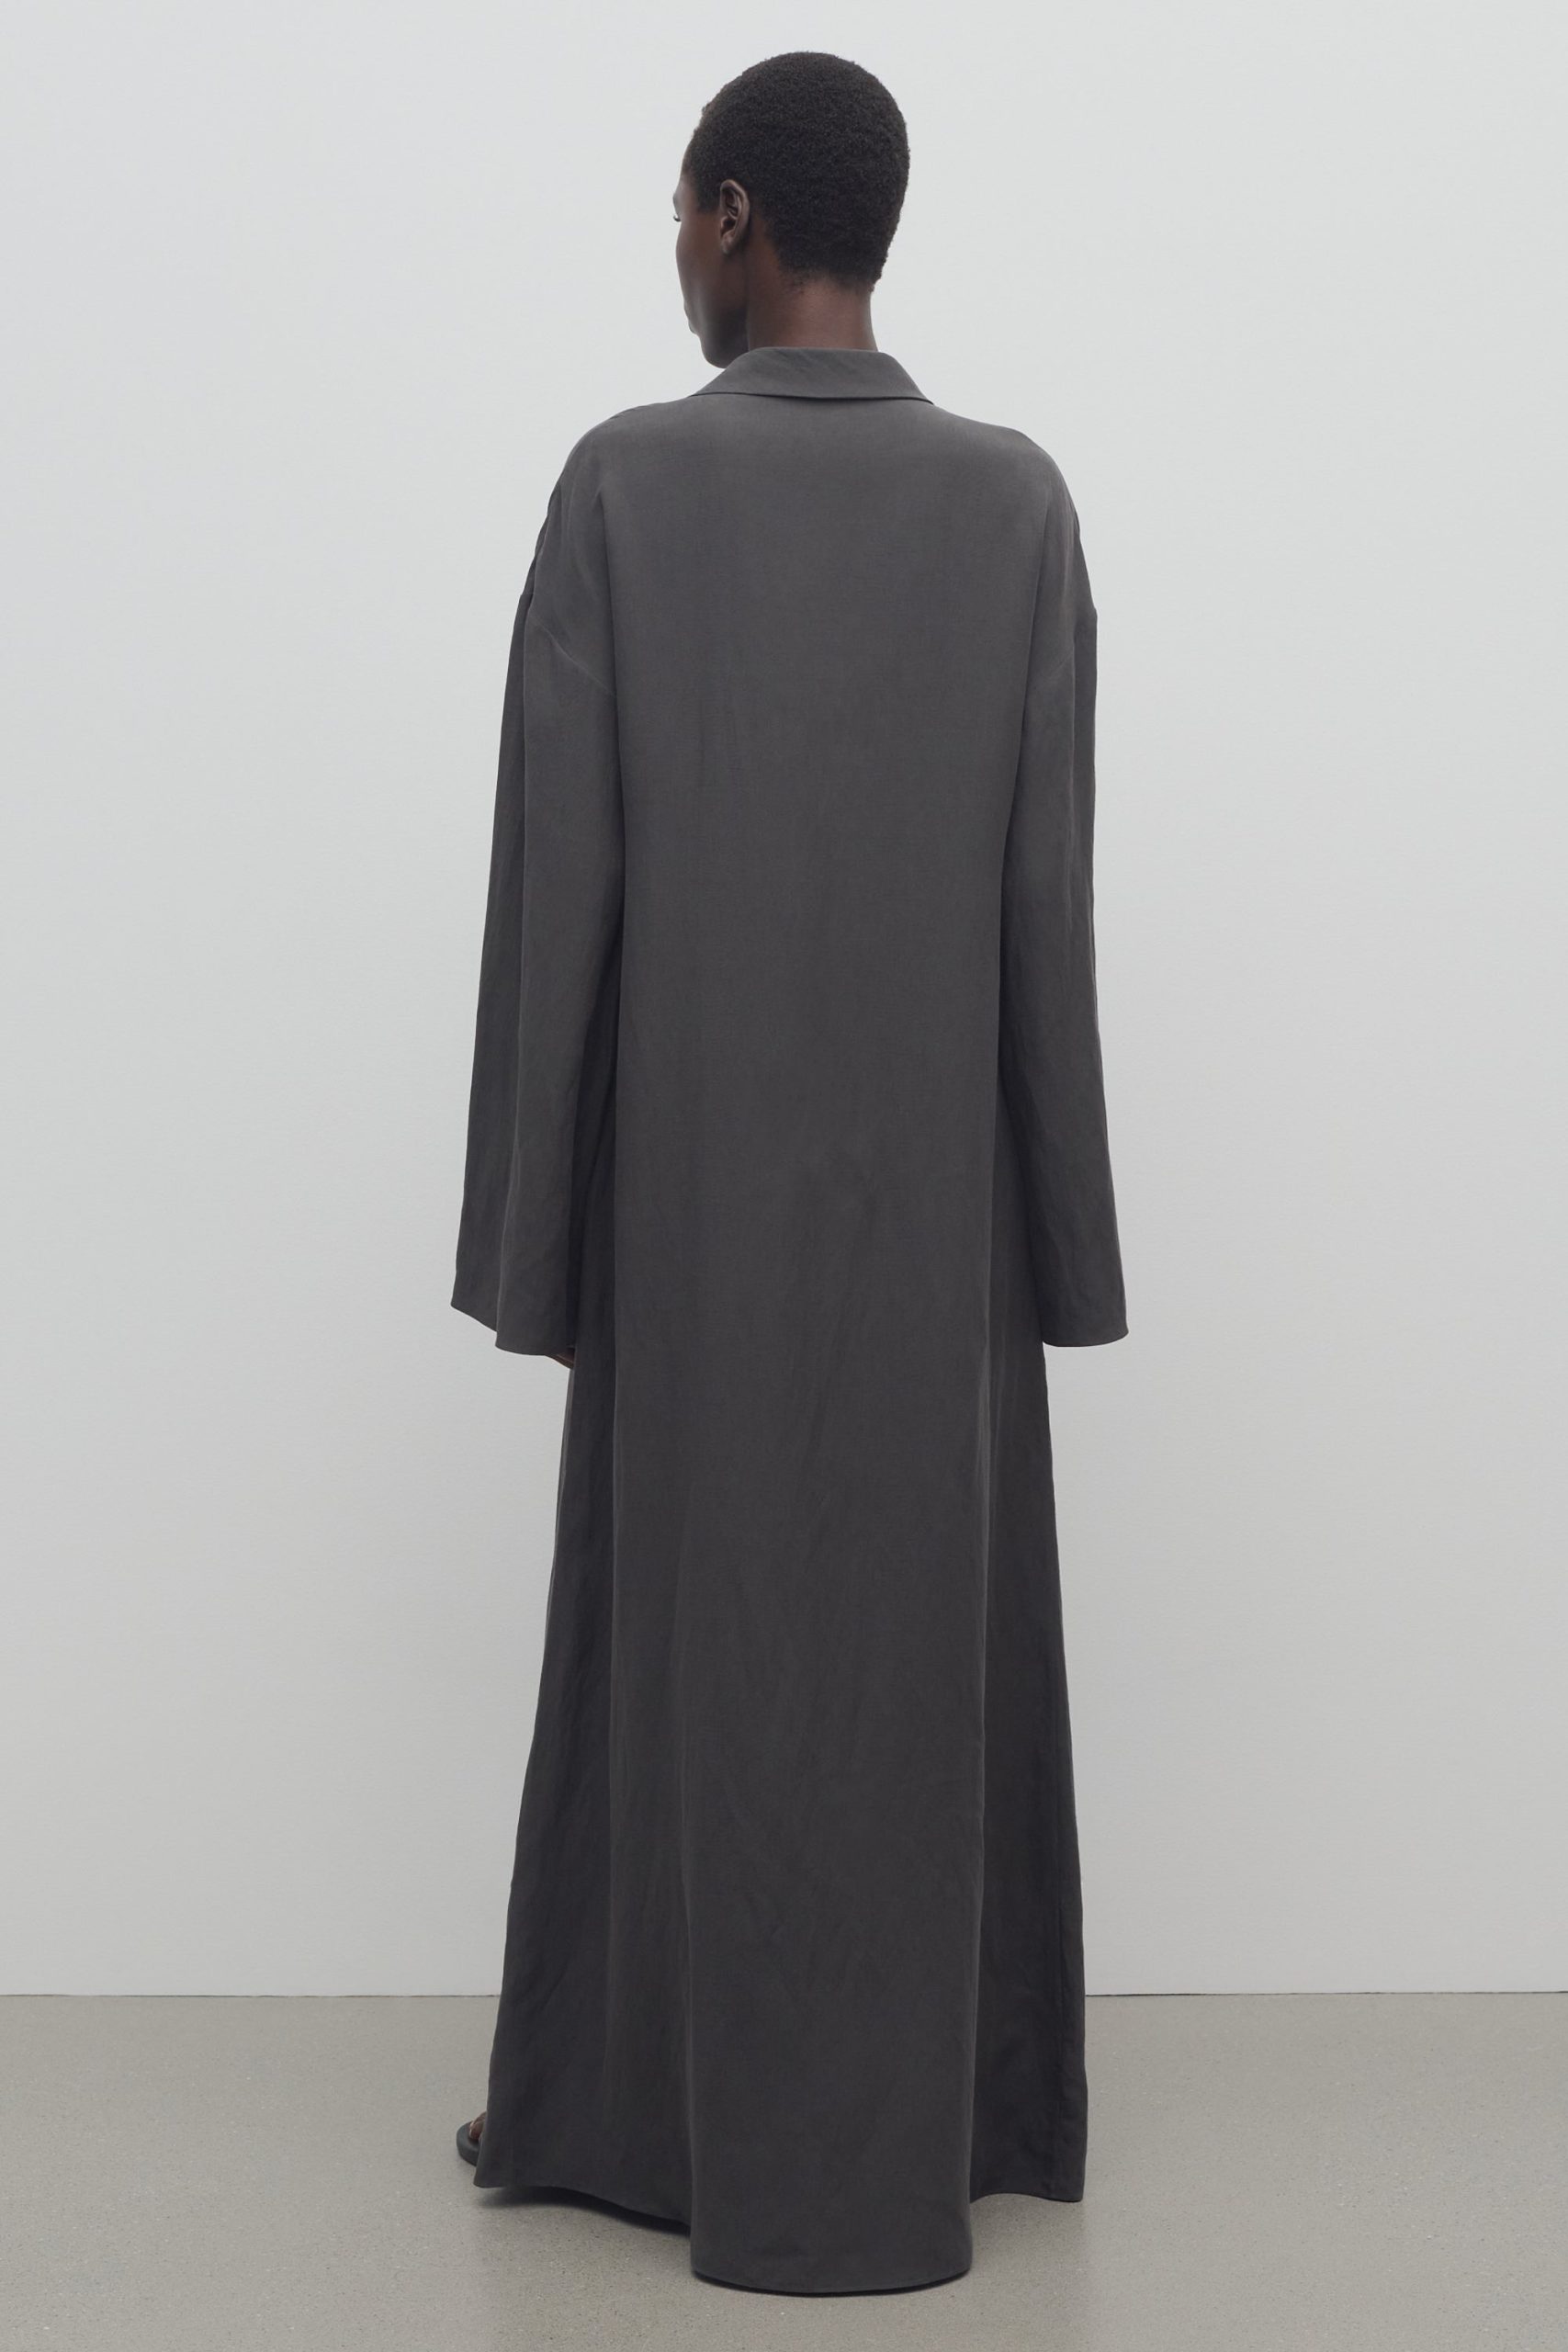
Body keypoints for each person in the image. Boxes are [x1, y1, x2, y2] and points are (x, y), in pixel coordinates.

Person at [449, 50, 1128, 2297]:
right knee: (925, 1648)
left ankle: (629, 2108)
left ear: (734, 214)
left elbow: (562, 884)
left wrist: (541, 1240)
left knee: (680, 1647)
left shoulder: (625, 484)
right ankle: (962, 2105)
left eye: (679, 211)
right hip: (933, 1224)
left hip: (689, 1208)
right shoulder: (1014, 503)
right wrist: (1056, 1243)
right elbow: (1043, 902)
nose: (673, 251)